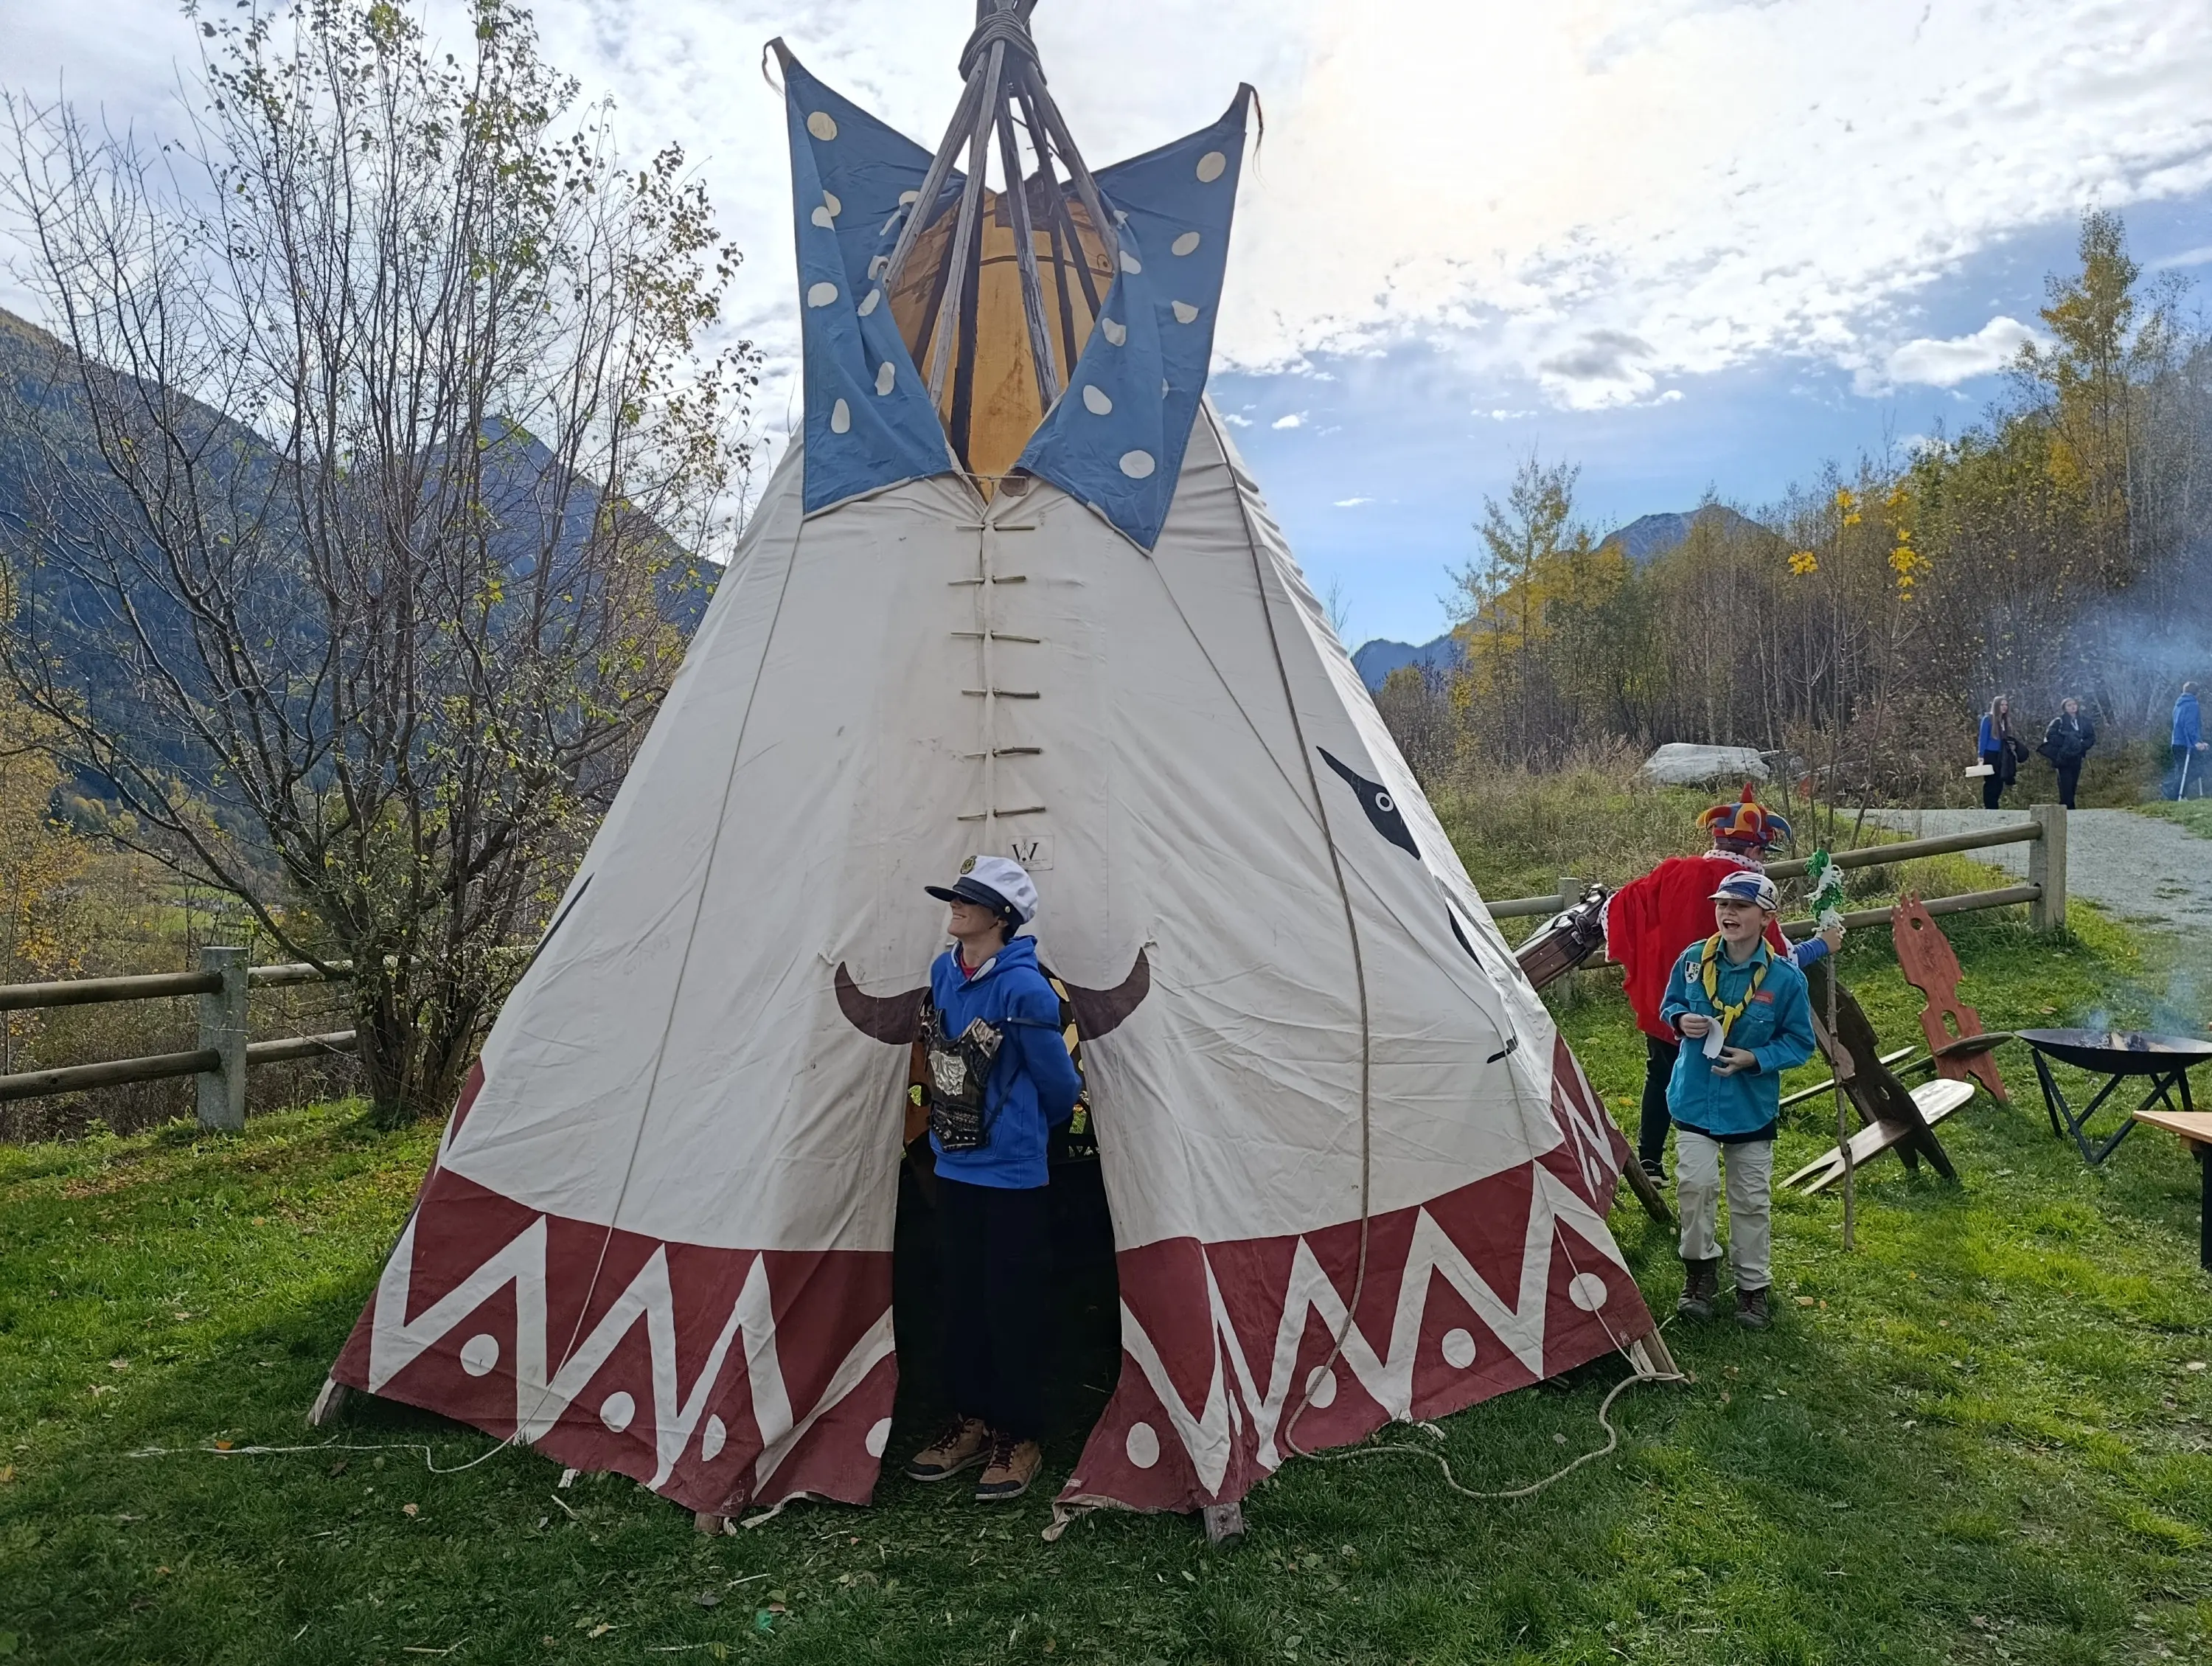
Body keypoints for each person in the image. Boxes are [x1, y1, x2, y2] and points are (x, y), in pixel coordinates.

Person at [902, 855, 1082, 1502]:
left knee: (1011, 1306)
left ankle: (1020, 1434)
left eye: (967, 899)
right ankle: (970, 1421)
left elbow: (1061, 1086)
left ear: (1000, 917)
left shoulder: (1025, 989)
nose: (954, 905)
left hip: (1011, 1175)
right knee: (961, 1300)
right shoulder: (943, 973)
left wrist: (1019, 1128)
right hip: (955, 1164)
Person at [1604, 783, 1841, 1187]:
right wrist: (1823, 944)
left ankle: (1651, 1161)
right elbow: (1779, 958)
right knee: (1717, 1073)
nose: (1763, 859)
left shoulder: (1673, 871)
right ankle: (1717, 1152)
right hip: (1727, 1010)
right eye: (1764, 851)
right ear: (1753, 849)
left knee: (1660, 1073)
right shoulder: (1746, 887)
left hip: (1671, 1001)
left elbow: (1618, 906)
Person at [1660, 871, 1816, 1331]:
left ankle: (1752, 1288)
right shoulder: (1694, 961)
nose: (1728, 913)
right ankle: (1700, 1273)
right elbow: (1669, 1004)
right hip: (1694, 1101)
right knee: (1695, 1186)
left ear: (1767, 917)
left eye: (1741, 906)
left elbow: (1800, 1043)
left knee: (1750, 1199)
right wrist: (1681, 1018)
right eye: (1722, 904)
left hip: (1750, 1107)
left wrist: (1757, 1057)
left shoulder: (1785, 979)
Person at [2038, 697, 2096, 811]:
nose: (2073, 707)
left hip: (2077, 755)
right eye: (2069, 705)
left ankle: (2068, 806)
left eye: (2074, 704)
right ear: (2064, 708)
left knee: (2074, 782)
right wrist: (2066, 742)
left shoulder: (2084, 721)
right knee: (2065, 783)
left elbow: (2091, 737)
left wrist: (2081, 746)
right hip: (2063, 756)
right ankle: (2067, 807)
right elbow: (2050, 736)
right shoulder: (2058, 721)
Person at [1976, 695, 2023, 810]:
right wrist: (1981, 756)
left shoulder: (2005, 721)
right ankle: (1990, 807)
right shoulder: (1987, 719)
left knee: (2000, 781)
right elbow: (1983, 738)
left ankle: (1994, 805)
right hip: (1990, 754)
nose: (2004, 707)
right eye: (2002, 705)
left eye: (2006, 705)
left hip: (2002, 755)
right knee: (1991, 782)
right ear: (1997, 706)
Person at [2171, 681, 2207, 801]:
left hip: (2176, 742)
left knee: (2182, 770)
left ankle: (2182, 797)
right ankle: (2173, 791)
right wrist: (2196, 742)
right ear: (2196, 692)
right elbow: (2190, 725)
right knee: (2197, 769)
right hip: (2186, 743)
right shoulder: (2192, 705)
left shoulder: (2178, 705)